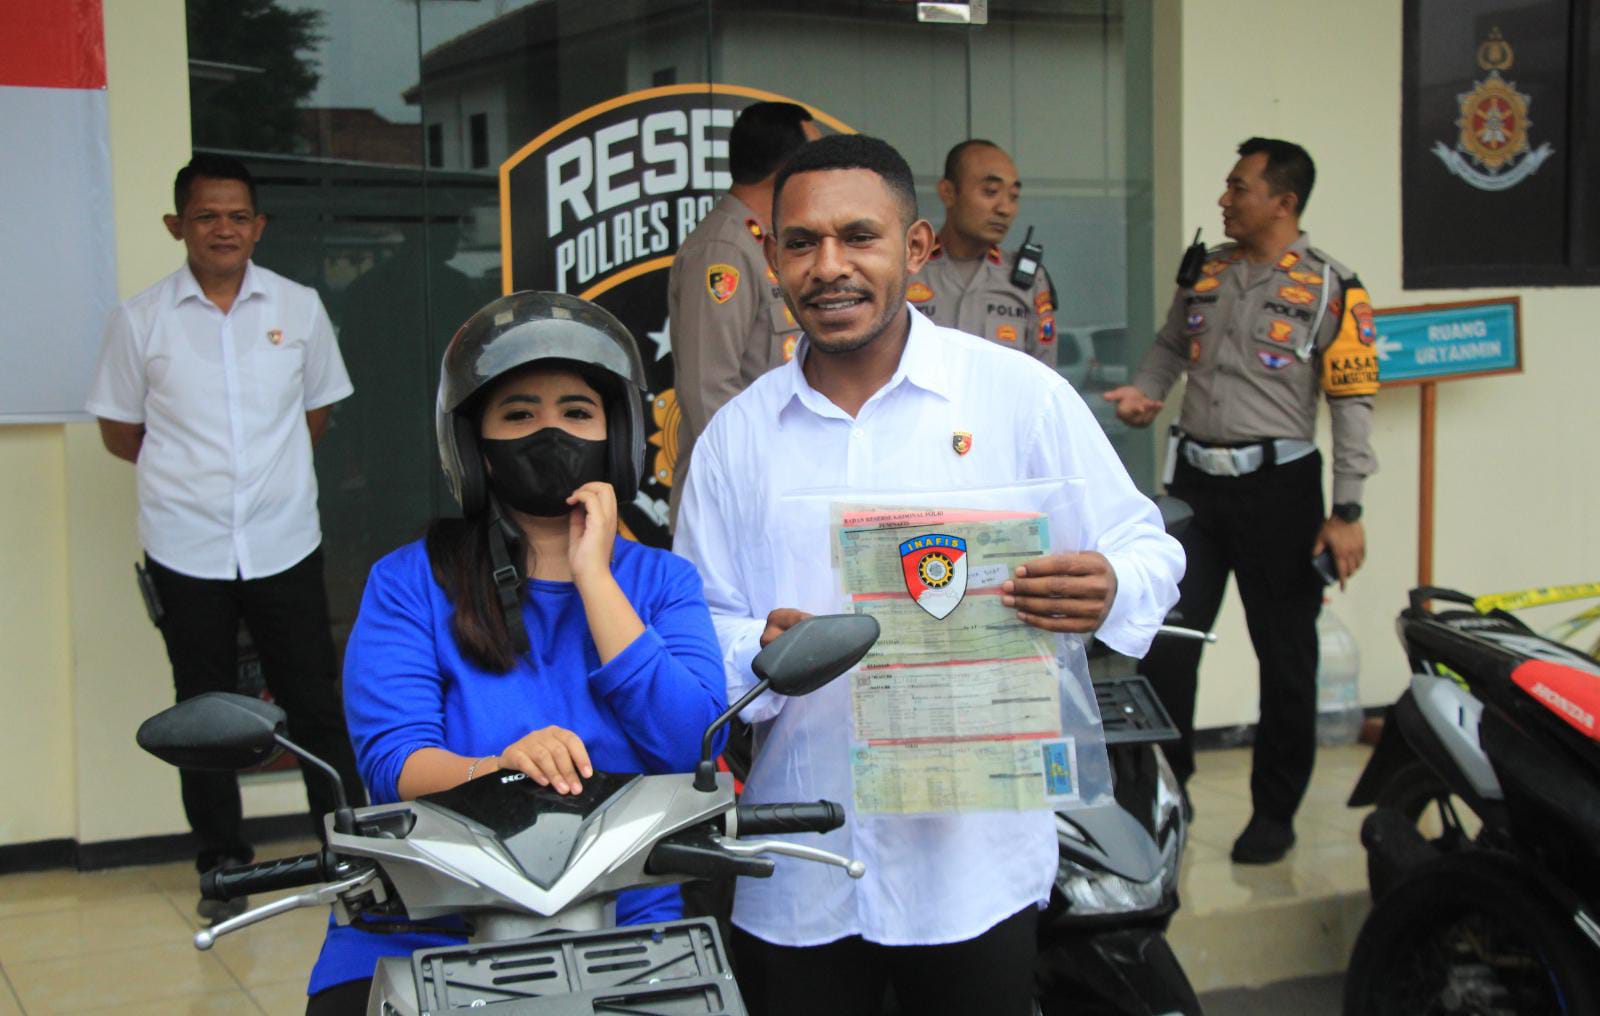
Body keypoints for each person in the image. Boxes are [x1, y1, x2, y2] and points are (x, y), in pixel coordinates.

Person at [673, 134, 1183, 1016]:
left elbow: (1148, 545)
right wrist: (758, 648)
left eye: (858, 237)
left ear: (914, 247)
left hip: (974, 868)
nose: (829, 267)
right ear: (772, 259)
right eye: (802, 242)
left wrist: (1110, 585)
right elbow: (696, 625)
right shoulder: (737, 440)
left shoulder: (1017, 397)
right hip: (804, 858)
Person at [303, 291, 729, 1014]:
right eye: (519, 414)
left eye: (577, 412)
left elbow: (691, 746)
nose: (549, 432)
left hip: (624, 918)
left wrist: (595, 576)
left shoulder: (662, 581)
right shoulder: (408, 582)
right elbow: (394, 764)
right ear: (475, 444)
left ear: (617, 433)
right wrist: (499, 770)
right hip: (429, 920)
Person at [85, 153, 365, 919]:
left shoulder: (299, 308)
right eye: (206, 216)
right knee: (203, 711)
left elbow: (316, 414)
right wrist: (195, 480)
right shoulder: (141, 320)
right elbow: (120, 431)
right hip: (187, 547)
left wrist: (262, 482)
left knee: (314, 703)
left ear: (259, 226)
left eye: (238, 216)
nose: (224, 229)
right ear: (176, 225)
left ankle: (350, 853)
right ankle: (222, 865)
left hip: (283, 541)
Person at [1102, 137, 1380, 864]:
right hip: (1196, 487)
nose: (1224, 199)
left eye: (1239, 187)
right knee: (1166, 640)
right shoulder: (1208, 270)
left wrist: (1347, 511)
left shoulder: (1333, 287)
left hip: (1281, 490)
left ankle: (1274, 812)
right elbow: (1172, 344)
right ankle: (1169, 788)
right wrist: (1147, 392)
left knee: (1285, 656)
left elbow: (1353, 403)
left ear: (1283, 202)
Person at [667, 101, 820, 521]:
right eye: (813, 158)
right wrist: (759, 480)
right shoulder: (725, 249)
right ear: (784, 169)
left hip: (780, 486)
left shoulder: (764, 240)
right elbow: (708, 387)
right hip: (737, 497)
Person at [912, 139, 1058, 366]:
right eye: (991, 191)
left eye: (1013, 196)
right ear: (948, 192)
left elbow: (1043, 375)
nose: (1005, 209)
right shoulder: (906, 270)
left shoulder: (1028, 281)